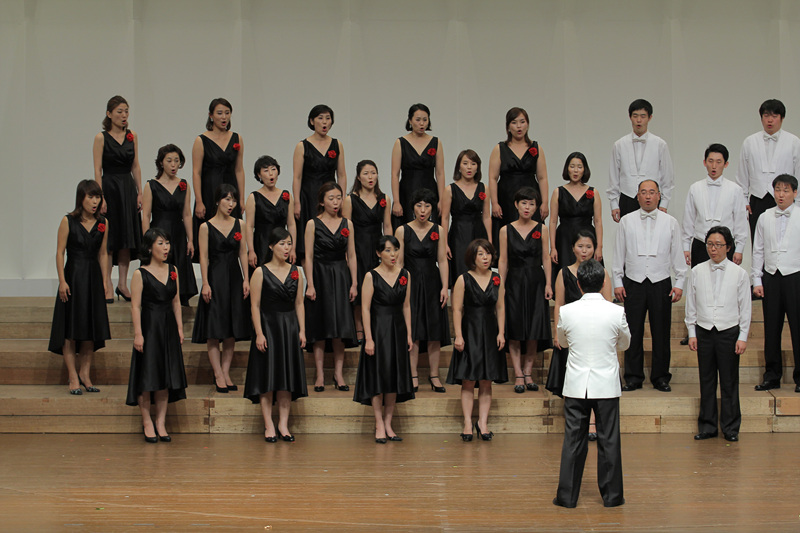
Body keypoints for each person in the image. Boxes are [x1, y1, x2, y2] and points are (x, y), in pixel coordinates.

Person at [553, 259, 630, 509]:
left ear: (578, 284)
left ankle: (567, 497)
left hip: (577, 384)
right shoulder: (615, 311)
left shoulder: (567, 311)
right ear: (604, 282)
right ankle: (612, 497)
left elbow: (563, 342)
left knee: (573, 441)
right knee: (609, 440)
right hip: (606, 384)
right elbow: (625, 343)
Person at [612, 179, 686, 392]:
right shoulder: (626, 221)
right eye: (643, 192)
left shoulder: (670, 222)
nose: (647, 196)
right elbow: (619, 253)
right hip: (633, 282)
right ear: (637, 196)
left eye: (652, 192)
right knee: (632, 331)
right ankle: (633, 377)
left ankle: (661, 377)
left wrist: (680, 282)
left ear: (659, 195)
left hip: (660, 282)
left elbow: (677, 254)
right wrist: (617, 281)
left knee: (661, 332)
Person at [685, 226, 751, 442]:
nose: (713, 249)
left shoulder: (739, 274)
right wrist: (692, 332)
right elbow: (691, 304)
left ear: (728, 247)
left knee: (729, 381)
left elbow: (745, 308)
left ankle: (730, 427)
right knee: (707, 380)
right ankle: (708, 425)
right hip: (704, 331)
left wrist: (742, 337)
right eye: (710, 245)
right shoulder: (697, 271)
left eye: (718, 245)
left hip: (728, 332)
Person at [547, 230, 613, 440]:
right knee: (571, 378)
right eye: (580, 246)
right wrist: (557, 333)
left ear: (595, 249)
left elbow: (609, 304)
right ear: (573, 248)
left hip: (595, 334)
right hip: (572, 334)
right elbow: (559, 304)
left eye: (589, 247)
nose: (584, 251)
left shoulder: (602, 272)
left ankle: (592, 422)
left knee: (593, 379)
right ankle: (575, 421)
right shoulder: (564, 273)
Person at [680, 143, 748, 344]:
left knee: (725, 288)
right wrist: (685, 246)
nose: (714, 166)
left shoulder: (735, 190)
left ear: (726, 164)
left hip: (725, 244)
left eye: (718, 162)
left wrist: (739, 249)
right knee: (699, 289)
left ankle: (728, 328)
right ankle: (695, 330)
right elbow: (688, 219)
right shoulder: (695, 188)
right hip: (701, 243)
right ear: (704, 162)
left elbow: (740, 221)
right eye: (710, 161)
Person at [244, 227, 307, 443]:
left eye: (289, 243)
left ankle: (283, 424)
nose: (286, 248)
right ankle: (269, 424)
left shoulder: (296, 271)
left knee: (286, 378)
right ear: (271, 246)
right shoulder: (260, 272)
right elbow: (254, 305)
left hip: (289, 327)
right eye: (282, 244)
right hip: (268, 327)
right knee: (268, 377)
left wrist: (302, 330)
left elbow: (299, 303)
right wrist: (259, 333)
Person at [48, 180, 111, 395]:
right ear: (81, 198)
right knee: (70, 329)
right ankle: (73, 376)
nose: (95, 202)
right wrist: (62, 281)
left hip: (93, 278)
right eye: (90, 197)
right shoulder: (68, 221)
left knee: (90, 330)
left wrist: (105, 281)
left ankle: (85, 374)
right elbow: (60, 252)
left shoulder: (103, 222)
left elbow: (103, 253)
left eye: (97, 197)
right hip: (73, 277)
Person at [126, 228, 188, 443]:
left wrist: (180, 328)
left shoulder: (173, 270)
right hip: (150, 327)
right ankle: (147, 422)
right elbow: (135, 307)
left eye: (167, 243)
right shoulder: (140, 273)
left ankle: (161, 422)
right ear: (149, 248)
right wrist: (138, 334)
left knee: (165, 377)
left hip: (168, 328)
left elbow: (176, 302)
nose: (166, 247)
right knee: (148, 376)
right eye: (160, 243)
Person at [353, 236, 414, 443]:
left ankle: (388, 423)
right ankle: (378, 422)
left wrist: (409, 334)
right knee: (378, 377)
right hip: (378, 330)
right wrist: (368, 338)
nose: (393, 254)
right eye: (388, 250)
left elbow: (407, 306)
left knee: (394, 377)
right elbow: (365, 308)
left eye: (395, 249)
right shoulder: (371, 276)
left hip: (398, 329)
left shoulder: (405, 274)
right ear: (379, 253)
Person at [191, 184, 250, 393]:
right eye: (227, 199)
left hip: (234, 277)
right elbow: (203, 257)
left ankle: (226, 372)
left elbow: (243, 253)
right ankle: (217, 373)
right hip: (215, 278)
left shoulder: (240, 224)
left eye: (233, 200)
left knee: (231, 329)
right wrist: (205, 283)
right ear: (217, 201)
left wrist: (246, 279)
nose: (231, 204)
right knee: (214, 329)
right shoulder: (206, 227)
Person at [447, 239, 507, 441]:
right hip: (470, 331)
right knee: (468, 380)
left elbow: (500, 307)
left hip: (490, 331)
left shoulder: (497, 278)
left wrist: (501, 332)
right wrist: (458, 335)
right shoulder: (463, 279)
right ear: (473, 257)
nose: (485, 257)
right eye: (480, 254)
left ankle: (483, 422)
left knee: (486, 381)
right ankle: (467, 422)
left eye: (488, 253)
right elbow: (457, 309)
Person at [304, 182, 358, 392]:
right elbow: (308, 257)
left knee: (340, 326)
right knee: (321, 326)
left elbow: (351, 255)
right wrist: (310, 283)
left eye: (338, 198)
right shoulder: (312, 224)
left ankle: (338, 373)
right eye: (331, 198)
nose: (336, 202)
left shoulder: (347, 224)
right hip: (320, 275)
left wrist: (354, 282)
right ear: (321, 201)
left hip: (341, 275)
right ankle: (319, 375)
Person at [396, 188, 451, 393]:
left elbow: (442, 260)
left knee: (434, 331)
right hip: (410, 283)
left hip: (432, 283)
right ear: (413, 208)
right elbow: (399, 263)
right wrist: (400, 288)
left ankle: (434, 375)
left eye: (427, 206)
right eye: (419, 205)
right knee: (414, 330)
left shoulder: (439, 230)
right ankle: (413, 375)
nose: (423, 210)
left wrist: (444, 287)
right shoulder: (402, 230)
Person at [498, 187, 552, 393]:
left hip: (536, 281)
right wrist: (501, 285)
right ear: (516, 205)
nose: (527, 207)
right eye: (524, 203)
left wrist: (548, 283)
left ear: (536, 207)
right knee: (515, 329)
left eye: (531, 204)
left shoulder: (542, 229)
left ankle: (528, 372)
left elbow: (546, 258)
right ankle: (518, 373)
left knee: (534, 329)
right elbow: (503, 260)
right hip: (514, 281)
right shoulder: (505, 230)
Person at [752, 174, 800, 393]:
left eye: (786, 190)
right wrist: (757, 279)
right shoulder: (764, 217)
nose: (781, 194)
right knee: (771, 329)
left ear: (795, 193)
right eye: (778, 190)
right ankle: (772, 376)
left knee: (797, 328)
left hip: (795, 275)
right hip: (771, 276)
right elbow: (758, 250)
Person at [93, 95, 142, 302]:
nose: (124, 115)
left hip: (127, 188)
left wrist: (139, 192)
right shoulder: (101, 138)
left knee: (126, 237)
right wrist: (101, 196)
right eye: (119, 111)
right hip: (110, 187)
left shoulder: (132, 136)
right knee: (110, 237)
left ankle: (123, 283)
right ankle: (107, 283)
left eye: (126, 111)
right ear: (109, 114)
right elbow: (98, 169)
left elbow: (135, 165)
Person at [141, 144, 198, 306]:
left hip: (178, 233)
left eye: (177, 161)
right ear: (161, 163)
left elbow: (187, 214)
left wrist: (190, 239)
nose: (173, 165)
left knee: (179, 266)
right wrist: (147, 240)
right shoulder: (151, 185)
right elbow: (146, 215)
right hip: (158, 231)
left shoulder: (184, 185)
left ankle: (180, 303)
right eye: (169, 161)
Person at [736, 99, 800, 239]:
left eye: (774, 116)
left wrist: (798, 203)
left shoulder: (794, 142)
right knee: (758, 241)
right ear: (761, 118)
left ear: (782, 118)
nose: (770, 120)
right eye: (766, 116)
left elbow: (798, 173)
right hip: (758, 199)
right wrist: (743, 201)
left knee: (785, 239)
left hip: (785, 199)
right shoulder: (750, 142)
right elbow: (742, 174)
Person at [343, 160, 391, 342]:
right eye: (366, 173)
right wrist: (346, 253)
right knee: (359, 286)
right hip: (358, 247)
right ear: (358, 177)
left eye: (373, 173)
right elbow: (345, 228)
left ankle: (376, 326)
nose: (370, 177)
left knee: (378, 287)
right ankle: (359, 328)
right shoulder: (350, 200)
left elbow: (387, 226)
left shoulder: (384, 198)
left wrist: (390, 250)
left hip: (377, 247)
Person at [191, 98, 245, 262]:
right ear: (211, 115)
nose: (224, 117)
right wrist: (199, 201)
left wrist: (241, 198)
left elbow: (239, 170)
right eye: (220, 113)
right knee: (209, 239)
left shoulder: (237, 138)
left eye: (227, 113)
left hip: (231, 191)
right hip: (209, 191)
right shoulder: (201, 140)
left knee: (232, 236)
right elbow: (196, 172)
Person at [293, 104, 347, 262]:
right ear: (312, 121)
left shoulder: (337, 144)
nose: (324, 122)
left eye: (328, 118)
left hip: (331, 195)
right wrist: (297, 202)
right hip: (309, 195)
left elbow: (341, 175)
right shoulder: (302, 146)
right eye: (320, 118)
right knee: (308, 238)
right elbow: (297, 177)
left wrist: (342, 199)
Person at [488, 107, 549, 246]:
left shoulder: (536, 148)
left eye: (522, 122)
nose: (519, 126)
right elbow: (492, 178)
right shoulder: (499, 149)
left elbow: (542, 178)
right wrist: (495, 203)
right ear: (508, 126)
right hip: (506, 198)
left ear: (528, 124)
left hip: (531, 196)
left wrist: (544, 202)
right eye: (514, 122)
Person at [607, 99, 674, 222]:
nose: (639, 120)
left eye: (643, 116)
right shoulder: (619, 144)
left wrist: (664, 203)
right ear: (630, 117)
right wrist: (614, 204)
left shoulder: (660, 144)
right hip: (627, 198)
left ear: (650, 118)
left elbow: (667, 177)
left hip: (652, 198)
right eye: (635, 116)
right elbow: (614, 176)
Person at [549, 152, 603, 283]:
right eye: (572, 166)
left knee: (590, 277)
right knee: (565, 276)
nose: (575, 170)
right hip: (564, 238)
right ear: (567, 168)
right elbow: (553, 221)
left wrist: (599, 247)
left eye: (579, 167)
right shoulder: (558, 192)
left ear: (584, 169)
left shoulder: (593, 192)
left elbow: (598, 221)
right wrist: (553, 247)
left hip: (587, 236)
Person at [391, 103, 445, 230]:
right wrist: (397, 201)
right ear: (410, 121)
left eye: (425, 120)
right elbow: (395, 174)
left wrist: (442, 200)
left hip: (430, 190)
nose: (422, 123)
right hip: (407, 191)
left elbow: (440, 173)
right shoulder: (400, 142)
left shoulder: (436, 142)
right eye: (418, 120)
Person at [441, 149, 491, 287]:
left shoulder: (484, 188)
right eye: (465, 163)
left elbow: (487, 216)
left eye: (473, 164)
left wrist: (489, 241)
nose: (469, 167)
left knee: (479, 273)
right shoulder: (450, 189)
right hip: (458, 235)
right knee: (460, 273)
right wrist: (444, 243)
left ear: (478, 167)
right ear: (459, 166)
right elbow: (445, 218)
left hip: (478, 232)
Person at [245, 155, 297, 272]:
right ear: (259, 175)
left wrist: (292, 248)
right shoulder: (254, 197)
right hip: (261, 244)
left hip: (282, 244)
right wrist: (251, 250)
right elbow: (249, 226)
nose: (271, 173)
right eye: (266, 170)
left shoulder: (286, 196)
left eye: (273, 169)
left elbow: (291, 224)